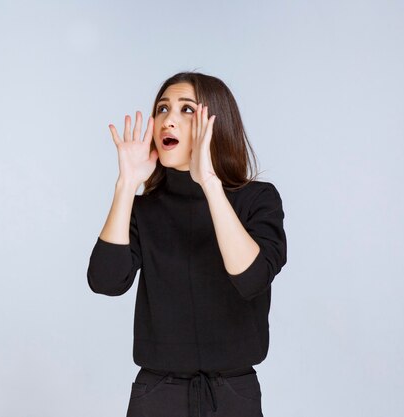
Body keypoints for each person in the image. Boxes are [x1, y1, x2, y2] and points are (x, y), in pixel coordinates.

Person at [86, 71, 287, 417]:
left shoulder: (258, 199)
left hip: (232, 395)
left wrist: (209, 182)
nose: (169, 120)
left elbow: (251, 278)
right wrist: (127, 184)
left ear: (215, 123)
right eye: (162, 109)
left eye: (186, 110)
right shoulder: (143, 210)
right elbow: (105, 281)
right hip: (157, 394)